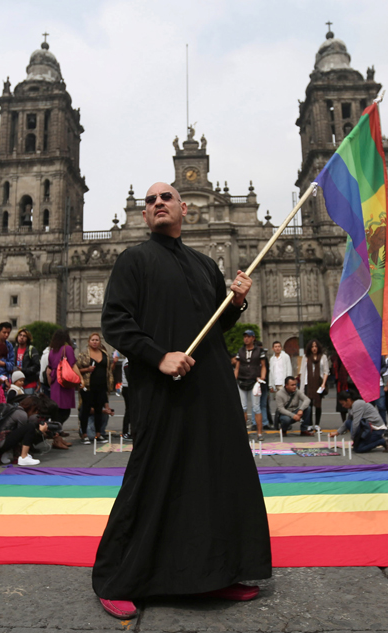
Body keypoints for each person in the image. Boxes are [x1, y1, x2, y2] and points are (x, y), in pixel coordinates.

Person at [93, 181, 270, 619]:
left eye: (165, 197)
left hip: (210, 387)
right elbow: (115, 322)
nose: (157, 203)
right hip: (161, 388)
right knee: (153, 475)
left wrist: (236, 301)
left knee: (212, 477)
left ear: (184, 209)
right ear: (144, 214)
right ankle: (118, 578)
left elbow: (213, 320)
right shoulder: (133, 260)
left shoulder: (206, 265)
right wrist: (159, 356)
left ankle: (214, 574)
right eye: (151, 200)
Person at [77, 332, 113, 444]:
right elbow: (76, 370)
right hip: (87, 386)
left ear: (100, 342)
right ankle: (84, 435)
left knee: (98, 410)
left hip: (101, 386)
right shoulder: (83, 355)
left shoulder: (104, 354)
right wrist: (87, 369)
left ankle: (99, 434)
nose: (95, 342)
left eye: (97, 340)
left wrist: (109, 384)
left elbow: (108, 371)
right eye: (92, 340)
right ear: (89, 341)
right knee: (86, 410)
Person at [0, 396, 51, 466]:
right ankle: (24, 457)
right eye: (36, 410)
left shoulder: (16, 410)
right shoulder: (22, 415)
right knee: (30, 427)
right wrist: (40, 432)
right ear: (32, 408)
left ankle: (6, 453)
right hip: (1, 442)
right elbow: (22, 437)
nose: (36, 413)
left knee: (30, 427)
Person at [333, 388, 388, 452]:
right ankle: (361, 442)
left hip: (376, 430)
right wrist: (337, 432)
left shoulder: (357, 404)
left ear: (348, 400)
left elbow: (356, 423)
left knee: (358, 449)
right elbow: (347, 421)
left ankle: (382, 441)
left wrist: (354, 438)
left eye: (343, 403)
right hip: (367, 428)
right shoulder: (351, 406)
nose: (343, 406)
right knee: (348, 422)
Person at [46, 329, 81, 430]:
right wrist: (80, 379)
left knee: (56, 411)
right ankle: (55, 433)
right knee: (65, 411)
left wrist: (50, 384)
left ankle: (57, 434)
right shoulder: (68, 349)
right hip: (65, 382)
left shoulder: (51, 352)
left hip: (54, 382)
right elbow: (73, 365)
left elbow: (49, 370)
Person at [235, 329, 266, 438]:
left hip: (254, 381)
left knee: (256, 407)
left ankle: (259, 433)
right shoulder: (241, 351)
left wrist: (262, 378)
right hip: (242, 380)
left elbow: (263, 366)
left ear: (253, 338)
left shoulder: (259, 351)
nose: (246, 339)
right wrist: (234, 379)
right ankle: (244, 433)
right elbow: (237, 366)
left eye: (248, 336)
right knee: (243, 407)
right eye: (245, 336)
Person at [298, 339, 329, 432]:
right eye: (312, 347)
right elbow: (302, 371)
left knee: (318, 405)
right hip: (308, 383)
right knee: (309, 404)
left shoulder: (323, 357)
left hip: (319, 384)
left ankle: (317, 424)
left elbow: (326, 371)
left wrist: (323, 383)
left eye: (315, 346)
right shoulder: (306, 357)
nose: (314, 348)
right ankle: (310, 424)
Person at [267, 341, 290, 422]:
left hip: (283, 383)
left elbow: (288, 369)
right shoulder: (272, 359)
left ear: (281, 347)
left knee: (285, 403)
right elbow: (271, 372)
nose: (277, 348)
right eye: (275, 347)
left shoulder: (285, 357)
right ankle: (280, 420)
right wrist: (270, 385)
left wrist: (288, 383)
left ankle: (286, 420)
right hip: (275, 383)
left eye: (279, 346)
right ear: (273, 348)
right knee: (279, 404)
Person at [14, 328, 41, 394]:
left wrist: (23, 370)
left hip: (29, 384)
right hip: (16, 385)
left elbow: (37, 366)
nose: (21, 337)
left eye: (24, 336)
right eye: (20, 335)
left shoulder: (31, 349)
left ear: (28, 338)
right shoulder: (14, 350)